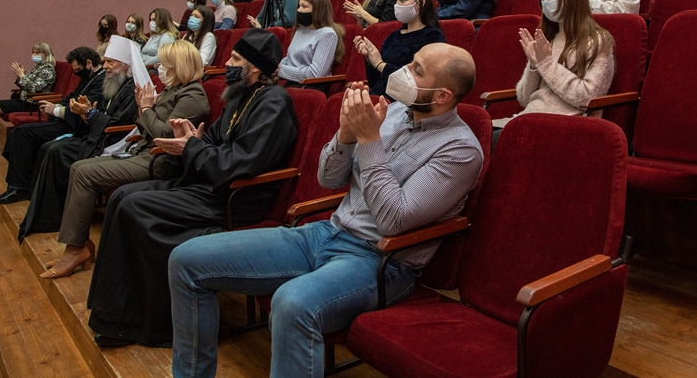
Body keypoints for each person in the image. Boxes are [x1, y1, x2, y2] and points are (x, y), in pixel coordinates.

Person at [166, 43, 482, 378]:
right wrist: (345, 135)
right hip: (326, 232)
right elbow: (328, 179)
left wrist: (368, 140)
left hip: (381, 262)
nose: (403, 70)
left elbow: (394, 221)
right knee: (186, 260)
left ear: (443, 95)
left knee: (292, 304)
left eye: (417, 69)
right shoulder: (391, 114)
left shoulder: (460, 150)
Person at [87, 29, 298, 348]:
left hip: (237, 198)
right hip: (211, 184)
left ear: (254, 66)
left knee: (135, 207)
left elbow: (239, 164)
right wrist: (190, 138)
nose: (227, 63)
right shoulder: (240, 95)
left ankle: (154, 325)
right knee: (121, 196)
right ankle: (113, 314)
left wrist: (192, 148)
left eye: (235, 59)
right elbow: (212, 140)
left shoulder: (275, 103)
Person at [38, 41, 210, 279]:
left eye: (164, 64)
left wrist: (146, 108)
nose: (158, 68)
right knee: (77, 168)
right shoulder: (173, 90)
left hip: (160, 161)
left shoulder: (192, 96)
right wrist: (144, 109)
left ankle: (74, 251)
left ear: (178, 66)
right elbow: (145, 125)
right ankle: (79, 245)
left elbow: (165, 135)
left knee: (85, 173)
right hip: (143, 152)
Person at [17, 36, 144, 241]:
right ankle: (46, 213)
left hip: (114, 142)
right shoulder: (113, 84)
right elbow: (102, 115)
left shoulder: (132, 89)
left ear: (126, 66)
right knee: (51, 147)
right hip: (97, 136)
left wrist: (90, 114)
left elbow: (117, 125)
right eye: (105, 61)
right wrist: (86, 113)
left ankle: (52, 218)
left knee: (57, 151)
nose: (105, 66)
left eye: (110, 62)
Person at [491, 0, 615, 134]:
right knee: (477, 132)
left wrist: (547, 63)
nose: (546, 1)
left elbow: (588, 97)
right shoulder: (548, 38)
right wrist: (534, 66)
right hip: (529, 118)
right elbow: (524, 99)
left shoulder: (598, 41)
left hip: (563, 125)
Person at [0, 47, 104, 204]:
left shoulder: (100, 81)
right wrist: (54, 106)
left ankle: (19, 188)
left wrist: (55, 110)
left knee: (23, 134)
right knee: (17, 133)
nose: (76, 73)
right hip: (65, 120)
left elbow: (83, 109)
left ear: (88, 63)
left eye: (77, 70)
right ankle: (22, 183)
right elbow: (71, 97)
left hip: (76, 126)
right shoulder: (89, 77)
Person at [356, 0, 446, 96]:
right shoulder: (394, 36)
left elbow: (418, 81)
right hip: (379, 96)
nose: (397, 5)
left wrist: (380, 64)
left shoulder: (432, 36)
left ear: (421, 2)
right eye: (396, 0)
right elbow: (377, 81)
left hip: (403, 100)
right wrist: (370, 58)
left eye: (403, 0)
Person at [0, 43, 57, 155]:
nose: (34, 55)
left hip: (33, 104)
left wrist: (22, 75)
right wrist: (20, 76)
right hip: (25, 100)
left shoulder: (48, 70)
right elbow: (26, 85)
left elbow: (34, 88)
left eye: (37, 53)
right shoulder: (38, 67)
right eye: (33, 52)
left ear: (46, 54)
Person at [278, 0, 344, 88]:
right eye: (299, 6)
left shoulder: (327, 34)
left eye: (304, 6)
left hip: (310, 87)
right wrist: (275, 67)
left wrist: (281, 70)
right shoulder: (300, 29)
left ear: (318, 10)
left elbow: (315, 74)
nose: (299, 10)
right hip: (292, 83)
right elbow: (290, 58)